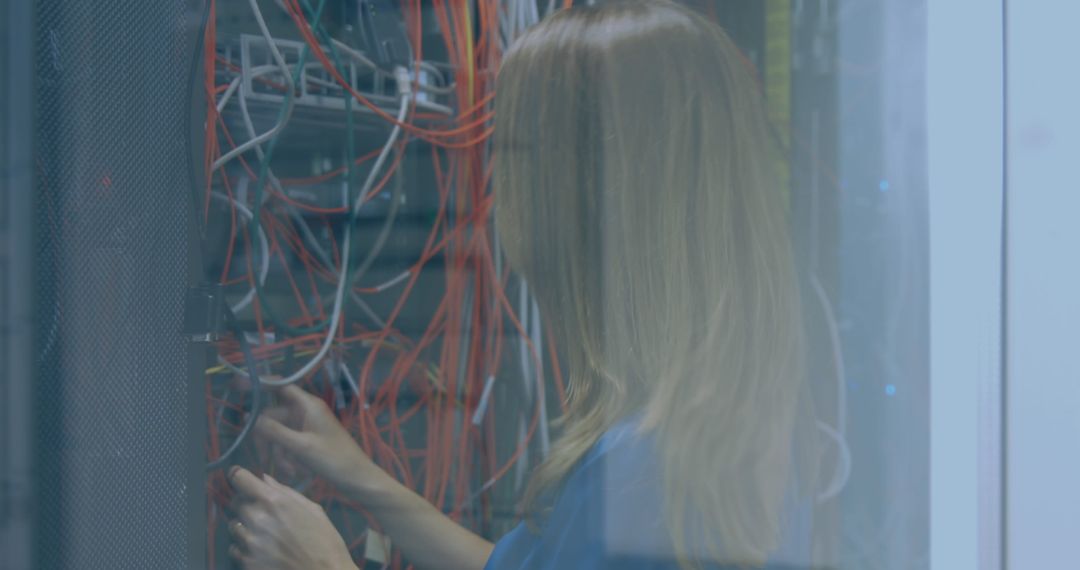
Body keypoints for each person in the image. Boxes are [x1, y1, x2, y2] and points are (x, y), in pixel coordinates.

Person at [226, 1, 818, 568]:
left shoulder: (638, 474)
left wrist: (323, 563)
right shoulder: (716, 428)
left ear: (583, 198)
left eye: (513, 151)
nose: (495, 180)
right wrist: (359, 476)